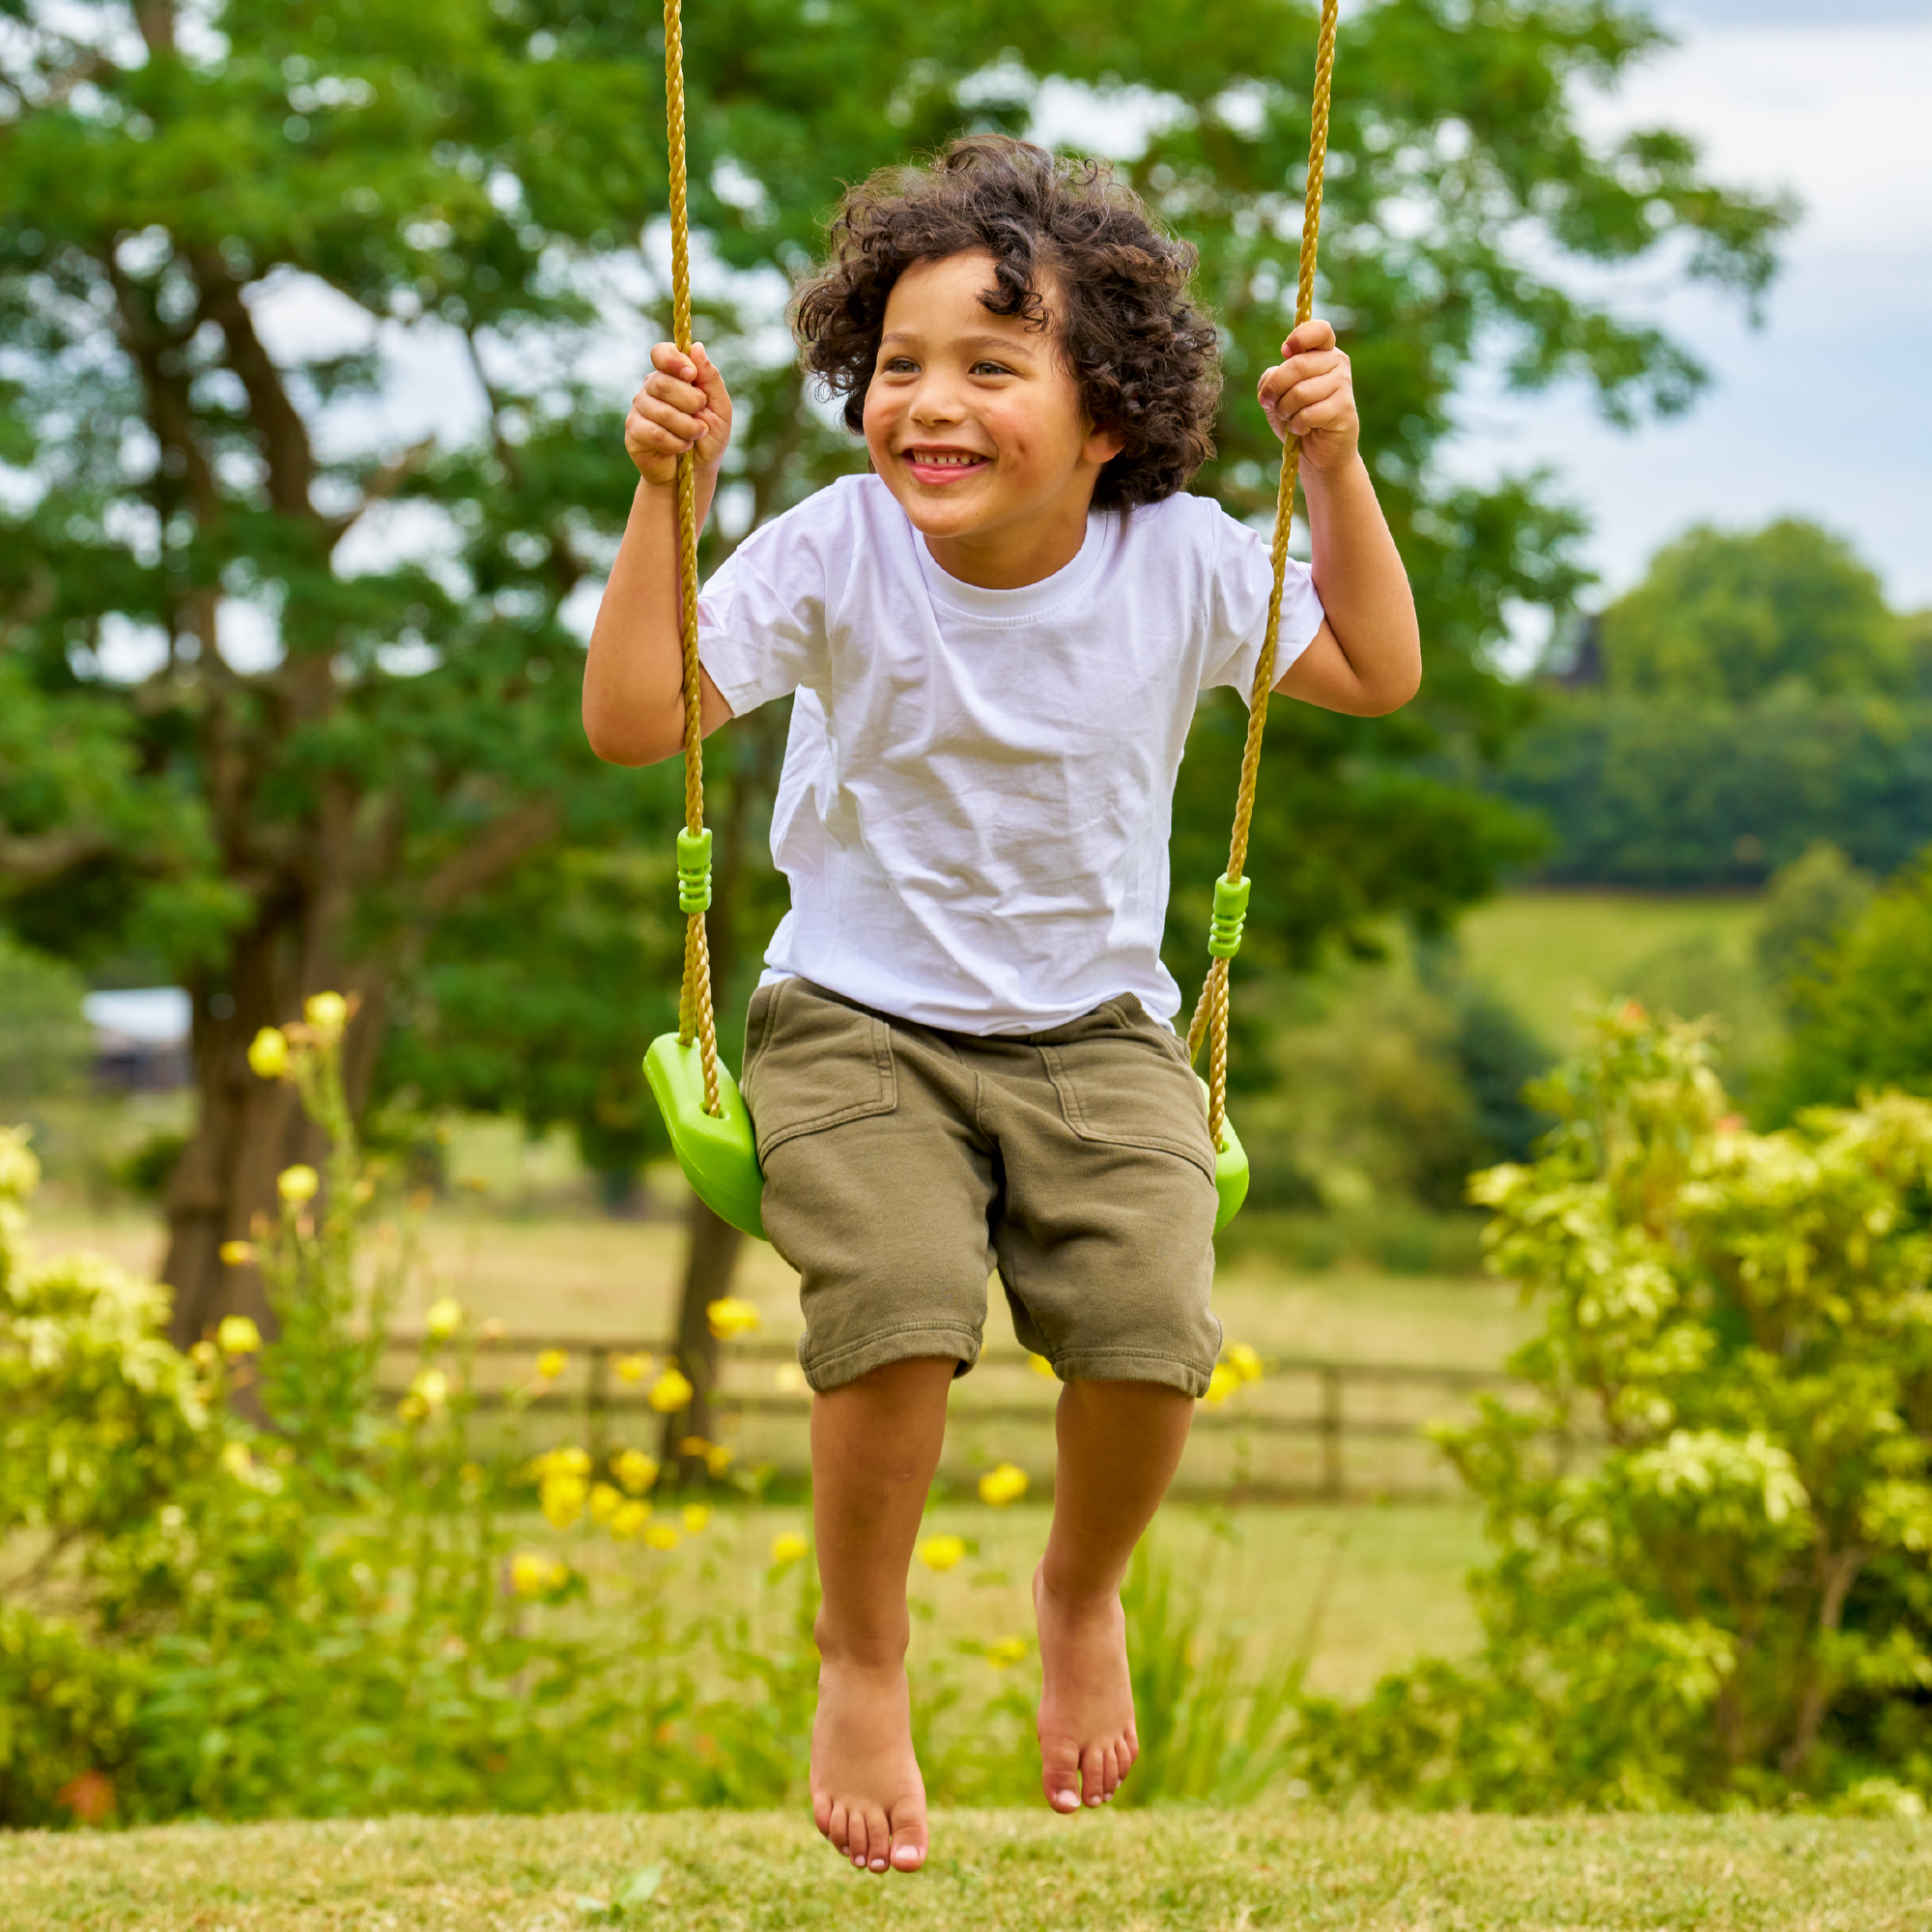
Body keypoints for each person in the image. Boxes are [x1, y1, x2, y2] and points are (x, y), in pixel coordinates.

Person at [584, 135, 1419, 1875]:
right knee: (893, 1298)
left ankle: (1077, 1592)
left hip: (1097, 1025)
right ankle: (863, 1657)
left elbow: (1373, 668)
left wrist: (1329, 466)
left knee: (1150, 1319)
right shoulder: (836, 551)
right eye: (897, 365)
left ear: (1105, 412)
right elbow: (634, 716)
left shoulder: (1184, 559)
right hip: (855, 1016)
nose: (927, 404)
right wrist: (663, 497)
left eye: (986, 365)